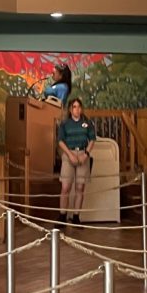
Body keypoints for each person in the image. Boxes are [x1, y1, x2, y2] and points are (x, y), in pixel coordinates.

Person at [56, 97, 95, 227]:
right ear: (70, 109)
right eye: (74, 107)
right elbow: (60, 141)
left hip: (83, 154)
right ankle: (62, 216)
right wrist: (70, 154)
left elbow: (92, 139)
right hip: (69, 154)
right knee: (65, 187)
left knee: (80, 187)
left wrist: (86, 154)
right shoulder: (65, 124)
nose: (77, 109)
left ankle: (76, 216)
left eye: (79, 107)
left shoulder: (87, 122)